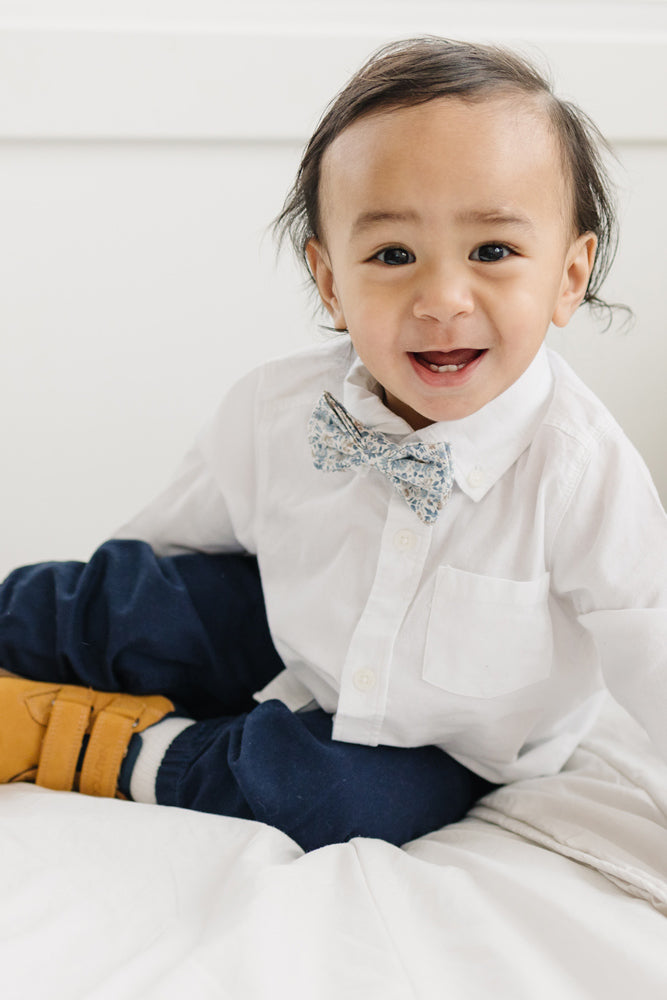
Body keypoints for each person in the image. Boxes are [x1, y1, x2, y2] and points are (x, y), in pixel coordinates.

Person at [1, 37, 665, 853]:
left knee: (333, 803)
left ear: (567, 277)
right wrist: (122, 642)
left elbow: (652, 642)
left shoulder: (579, 466)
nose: (442, 298)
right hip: (287, 627)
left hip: (448, 737)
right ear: (329, 282)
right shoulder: (278, 408)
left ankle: (86, 740)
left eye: (491, 252)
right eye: (391, 255)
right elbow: (171, 536)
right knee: (137, 601)